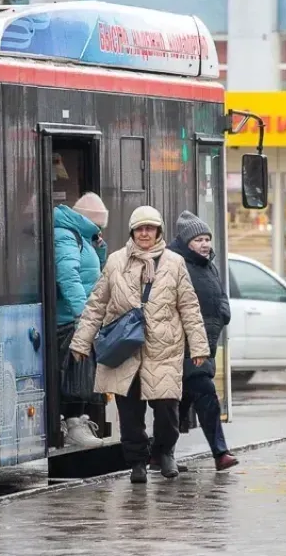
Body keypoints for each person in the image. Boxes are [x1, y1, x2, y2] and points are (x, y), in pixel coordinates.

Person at [70, 205, 209, 484]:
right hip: (125, 350)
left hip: (164, 348)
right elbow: (97, 304)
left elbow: (189, 306)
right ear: (132, 231)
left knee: (167, 407)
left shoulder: (174, 263)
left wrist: (199, 347)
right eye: (140, 228)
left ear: (159, 231)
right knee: (130, 412)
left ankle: (165, 452)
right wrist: (81, 341)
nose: (145, 233)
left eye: (150, 228)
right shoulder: (115, 262)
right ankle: (137, 462)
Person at [157, 210, 239, 472]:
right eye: (199, 240)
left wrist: (223, 314)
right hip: (184, 347)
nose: (205, 244)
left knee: (178, 407)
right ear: (186, 242)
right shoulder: (174, 264)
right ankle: (220, 453)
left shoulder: (208, 265)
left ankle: (160, 454)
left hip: (205, 346)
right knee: (206, 398)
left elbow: (220, 296)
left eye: (207, 239)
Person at [53, 193, 109, 448]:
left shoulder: (81, 238)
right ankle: (73, 424)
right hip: (69, 320)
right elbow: (69, 277)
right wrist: (84, 315)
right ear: (91, 221)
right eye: (100, 225)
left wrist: (100, 248)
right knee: (77, 377)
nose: (101, 230)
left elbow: (96, 275)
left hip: (80, 317)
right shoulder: (66, 236)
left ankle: (78, 422)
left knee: (84, 374)